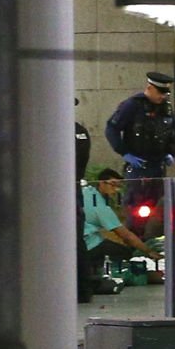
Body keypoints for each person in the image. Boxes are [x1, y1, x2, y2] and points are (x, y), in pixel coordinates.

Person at [105, 71, 175, 231]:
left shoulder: (166, 108)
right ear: (150, 88)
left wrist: (171, 153)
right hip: (138, 166)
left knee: (157, 209)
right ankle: (136, 244)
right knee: (136, 210)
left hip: (158, 166)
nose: (163, 97)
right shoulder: (132, 105)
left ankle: (154, 242)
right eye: (160, 92)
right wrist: (124, 152)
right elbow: (112, 128)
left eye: (166, 93)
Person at [82, 168, 162, 268]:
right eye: (113, 184)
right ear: (102, 183)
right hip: (89, 244)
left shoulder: (87, 191)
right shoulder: (99, 205)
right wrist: (149, 251)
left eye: (118, 186)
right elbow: (125, 235)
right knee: (124, 252)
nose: (116, 189)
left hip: (84, 238)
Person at [75, 97, 93, 303]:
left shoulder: (51, 133)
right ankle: (83, 288)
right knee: (76, 239)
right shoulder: (81, 132)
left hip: (54, 193)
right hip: (74, 188)